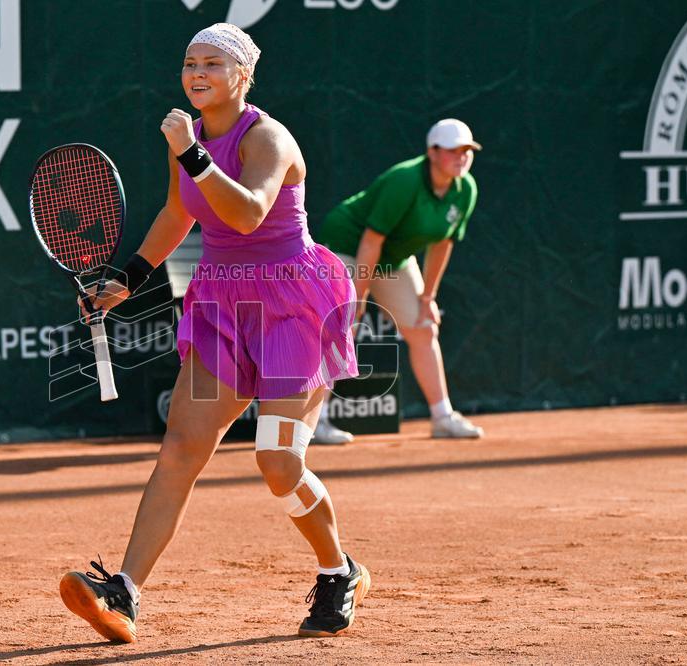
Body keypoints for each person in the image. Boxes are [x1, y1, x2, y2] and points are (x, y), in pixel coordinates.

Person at [58, 24, 370, 643]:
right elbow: (180, 211)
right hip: (223, 304)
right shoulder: (190, 137)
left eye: (212, 64)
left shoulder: (268, 137)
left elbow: (248, 213)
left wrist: (190, 153)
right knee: (180, 449)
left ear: (242, 76)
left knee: (278, 461)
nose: (196, 74)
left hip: (293, 307)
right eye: (188, 63)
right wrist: (131, 277)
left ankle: (340, 570)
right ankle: (124, 592)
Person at [316, 119, 485, 440]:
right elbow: (371, 240)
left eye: (467, 151)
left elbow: (442, 244)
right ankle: (315, 422)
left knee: (423, 327)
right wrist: (359, 296)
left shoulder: (466, 190)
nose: (462, 157)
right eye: (453, 151)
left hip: (394, 258)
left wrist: (427, 298)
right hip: (348, 245)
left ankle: (442, 417)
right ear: (433, 153)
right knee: (342, 326)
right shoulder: (404, 180)